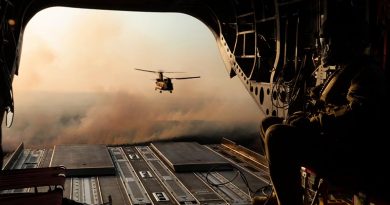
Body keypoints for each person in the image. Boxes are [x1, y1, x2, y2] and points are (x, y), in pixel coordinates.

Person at [259, 8, 389, 205]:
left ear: (345, 42)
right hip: (334, 142)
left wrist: (312, 123)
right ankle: (281, 196)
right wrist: (306, 116)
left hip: (349, 155)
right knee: (268, 123)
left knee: (276, 135)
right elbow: (333, 107)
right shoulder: (347, 69)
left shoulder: (366, 73)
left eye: (327, 41)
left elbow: (357, 114)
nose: (324, 47)